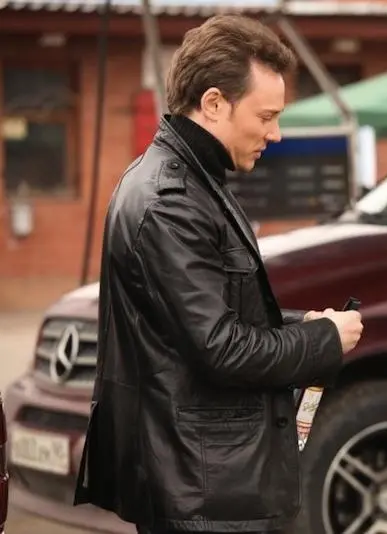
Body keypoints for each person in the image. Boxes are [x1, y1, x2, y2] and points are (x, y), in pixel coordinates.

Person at [73, 14, 363, 534]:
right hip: (201, 490)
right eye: (266, 116)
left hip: (203, 479)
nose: (275, 133)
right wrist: (322, 340)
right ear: (212, 103)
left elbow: (209, 314)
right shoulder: (172, 201)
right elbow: (221, 349)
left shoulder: (190, 181)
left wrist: (301, 325)